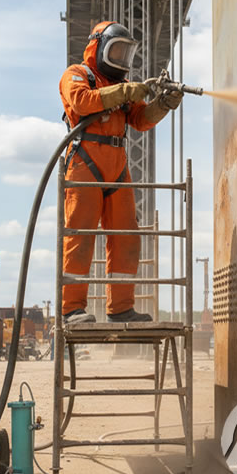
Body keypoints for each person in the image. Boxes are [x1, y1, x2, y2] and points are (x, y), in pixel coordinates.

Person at [58, 21, 183, 325]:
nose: (122, 59)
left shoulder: (122, 87)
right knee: (80, 236)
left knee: (127, 236)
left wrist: (163, 105)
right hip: (85, 160)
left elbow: (140, 119)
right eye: (117, 50)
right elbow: (82, 102)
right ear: (98, 46)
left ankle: (121, 308)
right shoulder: (77, 75)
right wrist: (125, 90)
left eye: (126, 53)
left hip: (117, 165)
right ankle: (72, 309)